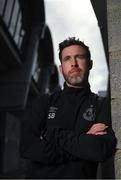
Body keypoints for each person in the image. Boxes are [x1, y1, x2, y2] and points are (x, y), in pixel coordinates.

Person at [20, 37, 116, 179]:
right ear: (61, 68)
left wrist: (51, 134)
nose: (74, 64)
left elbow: (99, 149)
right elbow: (28, 147)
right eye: (67, 59)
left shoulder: (101, 104)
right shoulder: (44, 102)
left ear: (90, 63)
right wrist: (83, 140)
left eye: (80, 57)